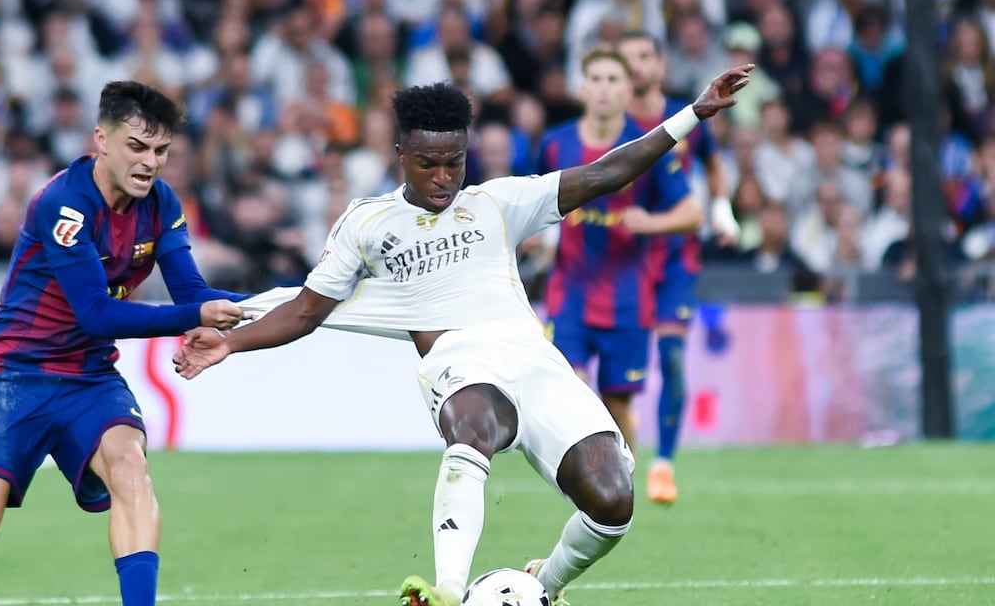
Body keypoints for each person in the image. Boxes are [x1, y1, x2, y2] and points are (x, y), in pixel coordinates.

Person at [173, 67, 752, 606]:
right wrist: (231, 343)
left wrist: (692, 114)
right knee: (473, 426)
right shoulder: (367, 223)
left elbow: (606, 173)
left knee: (613, 500)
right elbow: (304, 311)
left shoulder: (497, 203)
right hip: (458, 361)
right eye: (428, 163)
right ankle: (446, 591)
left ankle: (541, 585)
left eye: (455, 162)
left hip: (533, 359)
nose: (444, 177)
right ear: (400, 155)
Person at [0, 82, 250, 606]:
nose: (150, 163)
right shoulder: (63, 203)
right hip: (16, 375)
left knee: (130, 467)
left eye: (161, 151)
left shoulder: (161, 202)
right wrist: (195, 316)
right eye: (137, 147)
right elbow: (97, 313)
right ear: (102, 139)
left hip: (89, 376)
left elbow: (192, 290)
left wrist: (290, 301)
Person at [539, 48, 705, 476]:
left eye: (614, 80)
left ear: (628, 90)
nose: (604, 88)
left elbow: (692, 213)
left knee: (616, 407)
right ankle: (588, 486)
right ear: (581, 88)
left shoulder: (649, 148)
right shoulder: (556, 144)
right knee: (572, 391)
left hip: (628, 299)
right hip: (570, 294)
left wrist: (650, 222)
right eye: (595, 78)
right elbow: (530, 198)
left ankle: (618, 485)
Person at [617, 31, 741, 504]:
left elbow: (711, 163)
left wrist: (722, 207)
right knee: (621, 372)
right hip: (625, 260)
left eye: (645, 56)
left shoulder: (687, 116)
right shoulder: (615, 125)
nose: (638, 66)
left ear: (660, 64)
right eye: (629, 59)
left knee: (671, 357)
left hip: (674, 258)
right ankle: (622, 454)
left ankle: (664, 463)